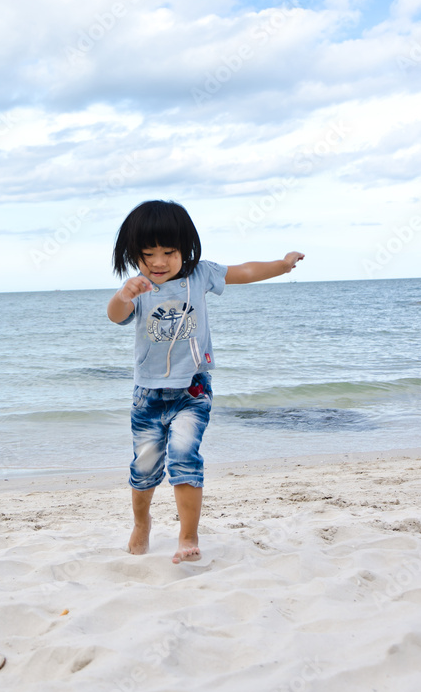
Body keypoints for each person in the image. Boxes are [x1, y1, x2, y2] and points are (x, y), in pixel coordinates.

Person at [107, 199, 304, 564]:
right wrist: (123, 295)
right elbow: (115, 316)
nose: (159, 262)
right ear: (133, 254)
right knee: (144, 468)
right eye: (148, 253)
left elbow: (243, 271)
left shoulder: (201, 275)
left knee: (184, 458)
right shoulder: (136, 287)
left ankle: (187, 536)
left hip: (192, 390)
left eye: (169, 251)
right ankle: (141, 523)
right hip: (147, 395)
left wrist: (281, 264)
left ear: (187, 249)